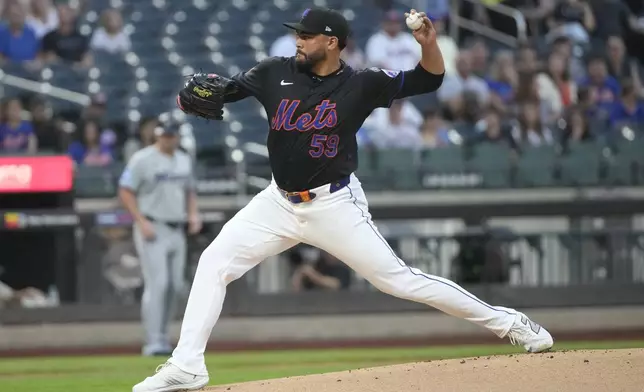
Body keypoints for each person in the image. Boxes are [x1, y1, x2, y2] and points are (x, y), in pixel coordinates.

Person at [133, 8, 553, 392]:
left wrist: (428, 44)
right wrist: (204, 94)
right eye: (298, 33)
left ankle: (511, 323)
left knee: (399, 280)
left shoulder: (362, 83)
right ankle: (187, 365)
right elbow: (227, 91)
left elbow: (429, 80)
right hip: (277, 202)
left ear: (331, 42)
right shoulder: (273, 72)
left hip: (334, 204)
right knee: (213, 262)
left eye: (307, 35)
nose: (298, 40)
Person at [118, 121, 202, 358]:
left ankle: (164, 337)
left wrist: (193, 214)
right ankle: (153, 341)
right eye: (162, 135)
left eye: (170, 135)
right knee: (159, 284)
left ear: (176, 137)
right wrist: (140, 220)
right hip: (152, 226)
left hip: (177, 228)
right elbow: (125, 190)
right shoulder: (142, 159)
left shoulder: (184, 159)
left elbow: (190, 190)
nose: (166, 139)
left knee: (176, 286)